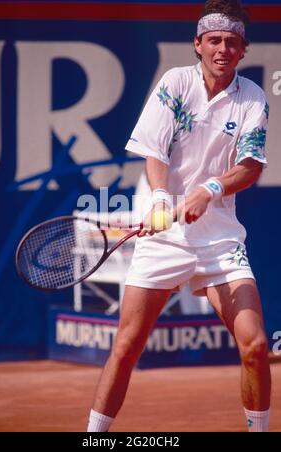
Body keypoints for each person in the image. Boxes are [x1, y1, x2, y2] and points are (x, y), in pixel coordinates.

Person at [87, 0, 271, 432]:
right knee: (127, 346)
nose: (222, 49)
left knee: (257, 346)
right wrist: (159, 200)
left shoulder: (253, 98)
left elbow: (251, 165)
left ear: (243, 50)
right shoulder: (175, 83)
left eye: (232, 41)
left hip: (220, 240)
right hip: (164, 238)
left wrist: (209, 189)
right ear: (198, 44)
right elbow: (154, 150)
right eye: (214, 41)